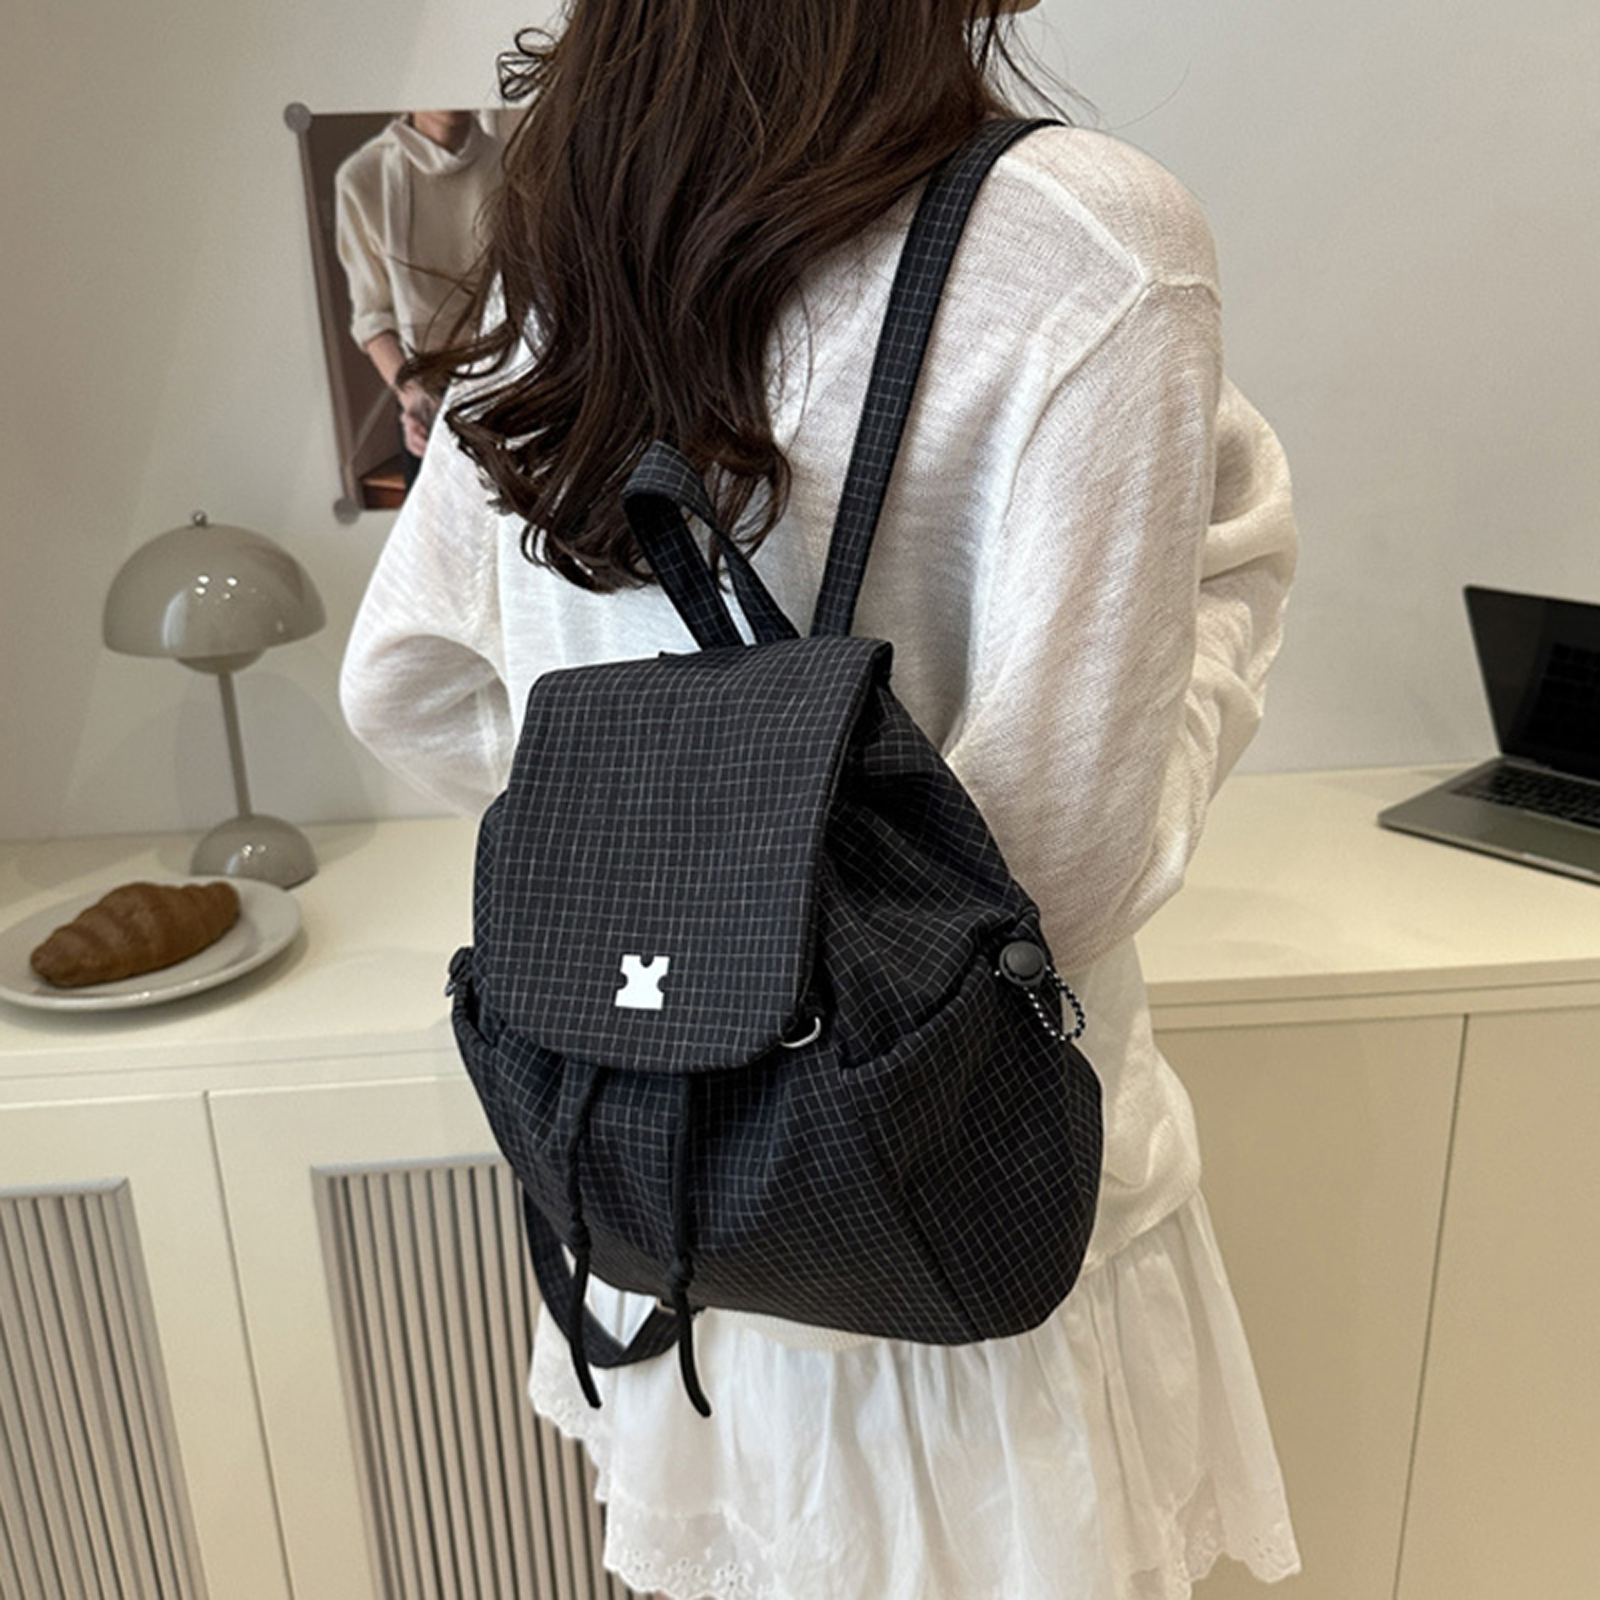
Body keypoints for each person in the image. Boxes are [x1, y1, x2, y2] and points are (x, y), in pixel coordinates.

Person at [340, 2, 1302, 1596]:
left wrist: (669, 886)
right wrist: (1214, 630)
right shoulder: (1089, 243)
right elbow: (1056, 872)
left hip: (664, 1220)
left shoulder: (571, 237)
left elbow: (405, 685)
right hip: (957, 1251)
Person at [334, 109, 505, 485]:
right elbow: (372, 315)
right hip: (429, 399)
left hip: (507, 394)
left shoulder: (509, 165)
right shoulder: (363, 177)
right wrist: (412, 395)